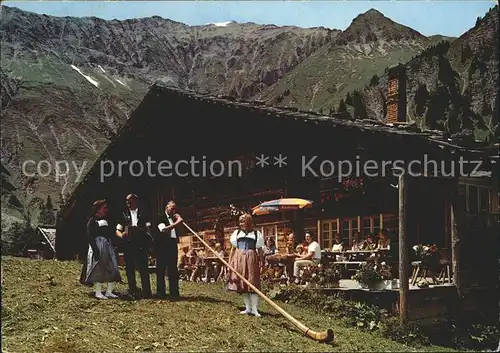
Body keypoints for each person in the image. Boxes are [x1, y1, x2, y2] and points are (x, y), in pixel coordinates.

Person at [80, 199, 121, 299]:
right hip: (98, 246)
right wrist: (95, 249)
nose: (106, 210)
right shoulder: (92, 221)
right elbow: (90, 236)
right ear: (98, 209)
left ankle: (109, 291)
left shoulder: (107, 220)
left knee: (112, 267)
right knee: (99, 268)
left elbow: (111, 232)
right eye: (104, 208)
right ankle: (98, 292)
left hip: (107, 245)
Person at [116, 193, 153, 299]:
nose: (128, 203)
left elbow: (148, 228)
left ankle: (147, 291)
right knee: (130, 268)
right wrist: (122, 235)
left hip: (141, 244)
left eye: (130, 201)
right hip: (128, 244)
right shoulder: (123, 214)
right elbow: (118, 230)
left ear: (136, 201)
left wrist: (146, 236)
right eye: (127, 201)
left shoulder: (144, 214)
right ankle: (132, 290)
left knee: (143, 268)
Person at [227, 213, 265, 317]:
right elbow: (233, 249)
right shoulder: (237, 233)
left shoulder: (256, 234)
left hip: (251, 258)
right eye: (240, 221)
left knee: (252, 282)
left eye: (243, 221)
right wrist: (230, 263)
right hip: (238, 258)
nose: (241, 223)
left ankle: (255, 309)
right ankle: (248, 308)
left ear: (249, 222)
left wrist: (262, 263)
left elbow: (260, 250)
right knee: (242, 282)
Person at [155, 200, 184, 300]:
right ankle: (160, 292)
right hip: (162, 246)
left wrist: (177, 221)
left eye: (175, 209)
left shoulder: (174, 218)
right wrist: (177, 223)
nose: (173, 211)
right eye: (171, 208)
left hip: (172, 244)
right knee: (161, 269)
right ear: (167, 207)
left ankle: (174, 292)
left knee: (173, 269)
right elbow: (164, 229)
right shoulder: (160, 217)